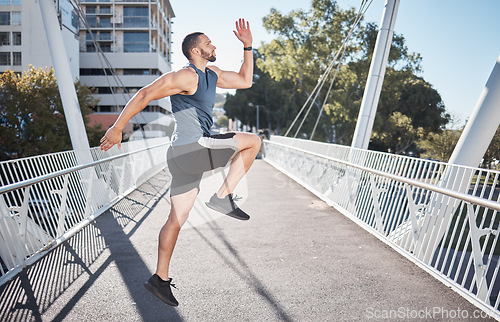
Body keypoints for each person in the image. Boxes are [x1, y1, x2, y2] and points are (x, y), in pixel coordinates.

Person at [99, 18, 261, 307]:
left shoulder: (212, 73)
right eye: (208, 43)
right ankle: (222, 197)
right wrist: (117, 126)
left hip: (183, 157)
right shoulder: (186, 76)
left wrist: (247, 46)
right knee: (253, 142)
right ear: (196, 51)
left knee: (176, 219)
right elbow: (145, 94)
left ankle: (159, 279)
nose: (214, 46)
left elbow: (245, 81)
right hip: (193, 148)